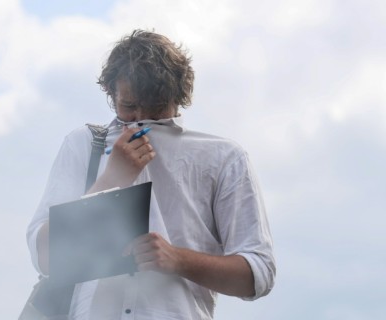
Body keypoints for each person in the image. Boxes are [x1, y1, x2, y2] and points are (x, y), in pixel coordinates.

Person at [27, 29, 275, 319]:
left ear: (178, 98)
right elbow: (45, 257)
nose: (138, 118)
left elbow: (259, 274)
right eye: (128, 106)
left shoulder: (224, 157)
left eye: (156, 109)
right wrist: (112, 180)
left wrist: (178, 259)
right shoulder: (83, 144)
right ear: (110, 91)